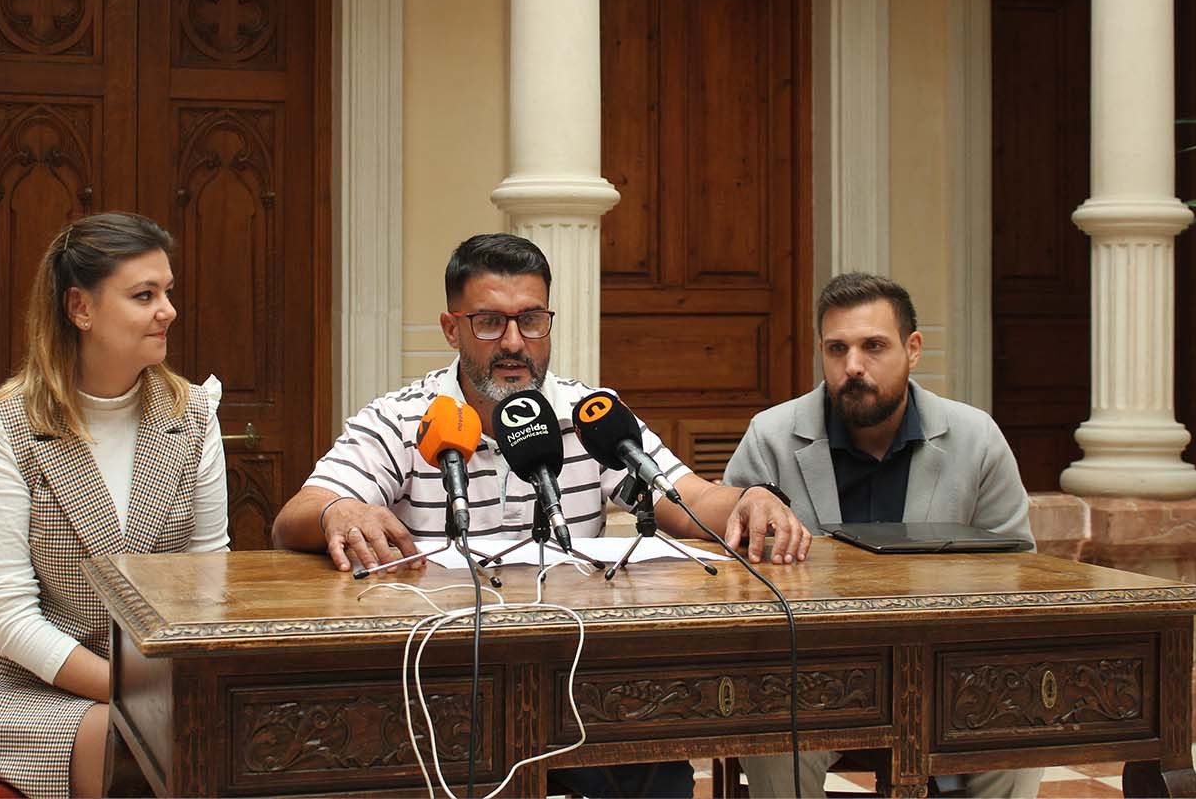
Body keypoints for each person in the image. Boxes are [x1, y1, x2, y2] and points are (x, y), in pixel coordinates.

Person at [272, 232, 812, 799]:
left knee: (655, 766)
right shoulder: (402, 419)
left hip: (577, 683)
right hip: (439, 688)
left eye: (531, 321)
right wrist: (338, 508)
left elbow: (689, 499)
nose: (514, 343)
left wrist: (749, 498)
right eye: (489, 323)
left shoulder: (590, 416)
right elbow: (295, 517)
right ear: (452, 329)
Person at [0, 213, 229, 799]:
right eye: (144, 295)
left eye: (168, 291)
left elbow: (211, 578)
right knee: (125, 739)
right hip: (28, 686)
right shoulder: (5, 425)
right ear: (80, 308)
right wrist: (134, 694)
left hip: (163, 681)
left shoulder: (195, 413)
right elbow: (10, 619)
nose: (168, 310)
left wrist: (173, 688)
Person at [726, 272, 1043, 799]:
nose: (853, 365)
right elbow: (732, 571)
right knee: (777, 734)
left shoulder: (977, 438)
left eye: (873, 346)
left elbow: (1018, 569)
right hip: (809, 673)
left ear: (912, 349)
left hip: (947, 669)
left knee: (1019, 731)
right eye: (837, 349)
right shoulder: (772, 436)